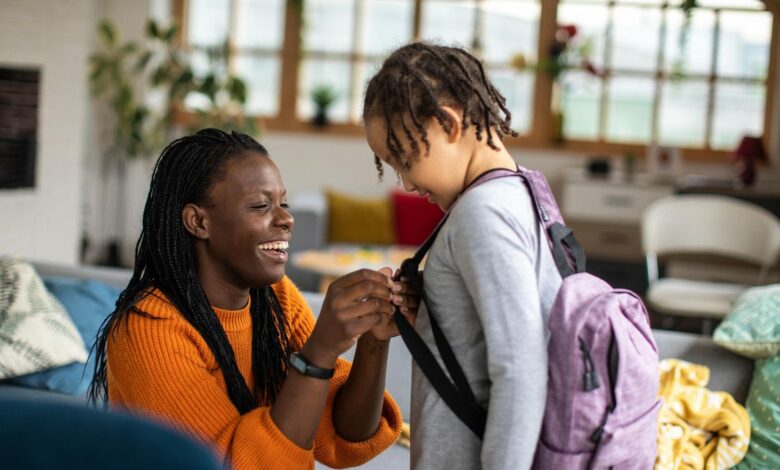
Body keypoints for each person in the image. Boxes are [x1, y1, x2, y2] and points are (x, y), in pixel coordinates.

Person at [88, 128, 418, 470]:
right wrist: (318, 353)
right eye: (261, 206)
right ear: (198, 221)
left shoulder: (276, 298)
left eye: (283, 204)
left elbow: (347, 436)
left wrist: (374, 341)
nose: (287, 219)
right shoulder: (148, 330)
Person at [362, 42, 563, 469]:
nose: (406, 183)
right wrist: (434, 320)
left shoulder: (482, 214)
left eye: (402, 158)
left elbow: (521, 369)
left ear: (448, 124)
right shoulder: (526, 191)